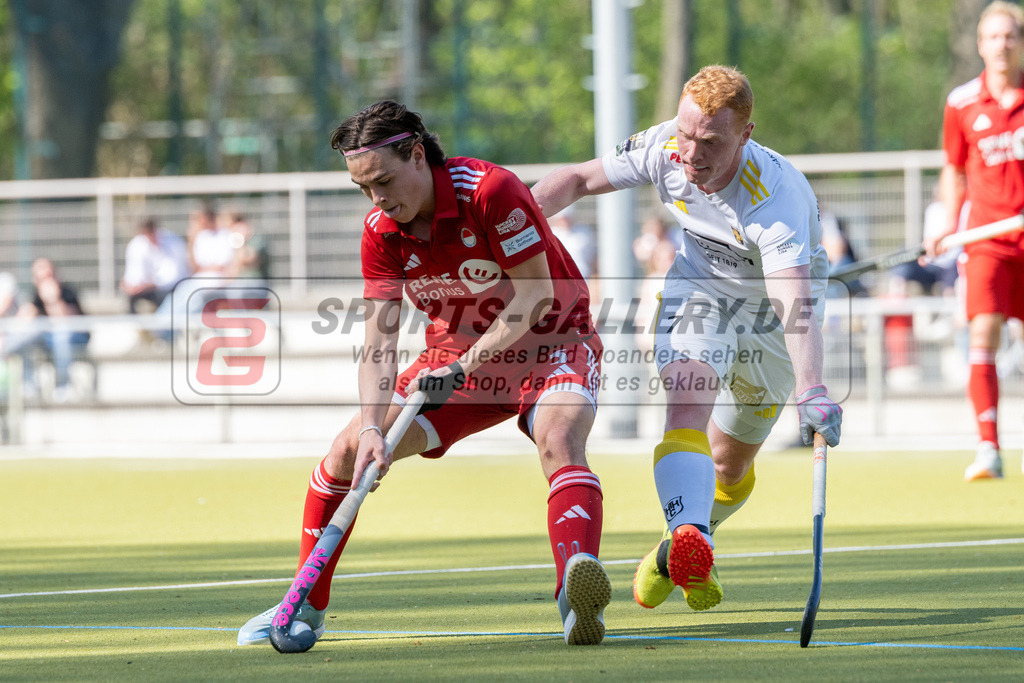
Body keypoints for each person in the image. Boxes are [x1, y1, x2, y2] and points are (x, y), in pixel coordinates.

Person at [237, 101, 610, 648]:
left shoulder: (490, 191)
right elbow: (379, 341)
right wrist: (370, 428)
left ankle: (576, 595)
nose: (378, 199)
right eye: (363, 188)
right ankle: (304, 605)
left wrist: (463, 365)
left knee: (558, 437)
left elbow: (536, 295)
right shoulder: (381, 231)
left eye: (384, 181)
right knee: (345, 453)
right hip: (453, 361)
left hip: (554, 342)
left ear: (417, 155)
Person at [531, 65, 842, 614]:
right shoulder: (663, 146)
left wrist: (812, 389)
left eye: (711, 142)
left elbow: (791, 300)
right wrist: (508, 224)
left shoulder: (776, 197)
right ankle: (692, 535)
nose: (691, 153)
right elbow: (579, 179)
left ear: (745, 135)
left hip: (773, 317)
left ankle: (675, 550)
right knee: (687, 402)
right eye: (686, 133)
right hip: (698, 292)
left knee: (728, 465)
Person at [925, 1, 1024, 482]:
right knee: (983, 331)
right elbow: (954, 168)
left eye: (1010, 35)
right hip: (987, 239)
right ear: (980, 44)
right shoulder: (961, 102)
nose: (1002, 44)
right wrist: (946, 221)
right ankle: (989, 447)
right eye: (993, 37)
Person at [4, 258, 90, 403]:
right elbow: (24, 319)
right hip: (49, 341)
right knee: (26, 336)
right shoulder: (36, 294)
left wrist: (53, 300)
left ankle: (63, 386)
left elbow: (63, 322)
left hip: (75, 338)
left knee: (61, 336)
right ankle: (29, 384)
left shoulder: (67, 292)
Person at [120, 217, 191, 313]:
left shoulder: (173, 242)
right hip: (147, 288)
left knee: (164, 298)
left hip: (169, 288)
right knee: (130, 298)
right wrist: (131, 285)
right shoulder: (137, 244)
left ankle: (163, 325)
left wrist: (152, 284)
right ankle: (134, 325)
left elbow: (174, 276)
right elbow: (133, 272)